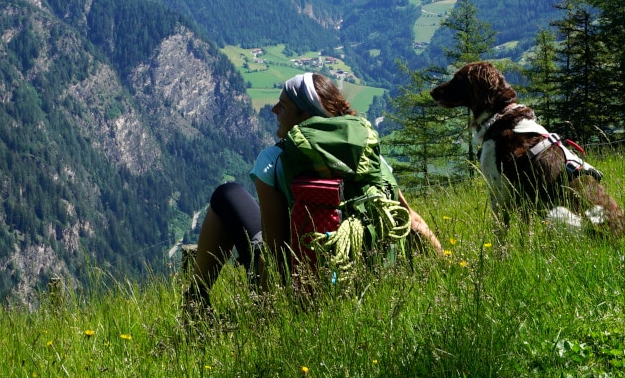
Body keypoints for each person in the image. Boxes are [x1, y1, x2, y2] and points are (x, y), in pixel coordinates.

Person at [184, 72, 443, 312]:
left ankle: (195, 303)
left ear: (305, 117)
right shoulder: (368, 154)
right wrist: (445, 268)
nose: (274, 109)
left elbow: (274, 248)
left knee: (227, 194)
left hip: (303, 287)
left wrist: (266, 312)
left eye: (283, 105)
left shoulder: (273, 160)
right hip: (373, 284)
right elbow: (412, 220)